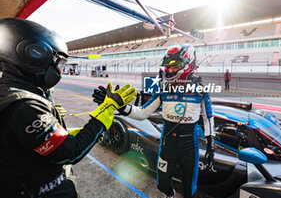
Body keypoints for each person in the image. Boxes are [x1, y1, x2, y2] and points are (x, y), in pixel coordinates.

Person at [0, 18, 137, 198]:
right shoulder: (24, 105)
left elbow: (29, 141)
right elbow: (71, 152)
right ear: (35, 55)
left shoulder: (12, 91)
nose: (60, 70)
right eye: (59, 63)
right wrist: (107, 109)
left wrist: (68, 130)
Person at [93, 44, 215, 198]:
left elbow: (208, 118)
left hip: (190, 145)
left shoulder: (201, 89)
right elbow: (142, 112)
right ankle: (169, 195)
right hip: (168, 142)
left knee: (190, 190)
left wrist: (211, 145)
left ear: (188, 65)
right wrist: (120, 106)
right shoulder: (162, 88)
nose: (169, 71)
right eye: (167, 67)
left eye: (174, 66)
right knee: (162, 184)